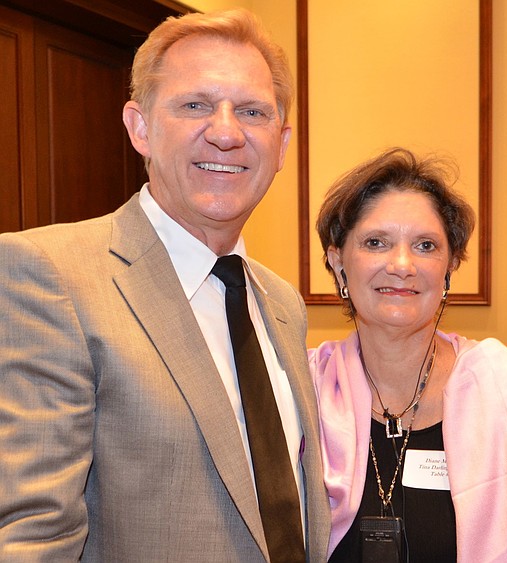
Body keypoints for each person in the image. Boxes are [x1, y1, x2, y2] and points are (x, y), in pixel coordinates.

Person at [0, 9, 330, 561]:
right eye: (195, 105)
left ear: (282, 143)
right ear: (140, 127)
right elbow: (33, 539)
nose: (226, 133)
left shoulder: (282, 304)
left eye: (252, 111)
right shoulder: (50, 277)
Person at [310, 147, 507, 562]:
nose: (402, 265)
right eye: (376, 242)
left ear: (450, 266)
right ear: (338, 261)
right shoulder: (302, 388)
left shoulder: (505, 388)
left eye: (424, 245)